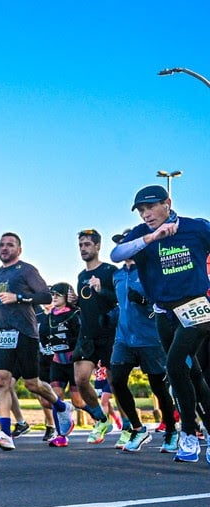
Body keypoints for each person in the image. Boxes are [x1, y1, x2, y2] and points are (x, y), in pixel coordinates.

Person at [110, 184, 210, 463]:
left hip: (196, 308)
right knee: (192, 373)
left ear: (168, 202)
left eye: (151, 207)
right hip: (164, 313)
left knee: (175, 366)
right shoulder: (143, 234)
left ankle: (188, 434)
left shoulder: (196, 228)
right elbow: (116, 255)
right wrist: (151, 238)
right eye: (141, 210)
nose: (146, 214)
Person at [0, 232, 68, 451]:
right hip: (4, 331)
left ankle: (60, 406)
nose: (4, 248)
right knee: (1, 380)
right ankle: (5, 433)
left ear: (19, 250)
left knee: (32, 384)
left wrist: (17, 298)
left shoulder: (27, 270)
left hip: (26, 332)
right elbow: (7, 297)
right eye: (1, 244)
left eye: (10, 245)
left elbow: (46, 296)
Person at [106, 230, 173, 453]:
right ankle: (138, 428)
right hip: (124, 338)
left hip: (150, 338)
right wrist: (111, 316)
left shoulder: (151, 270)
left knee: (158, 386)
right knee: (116, 380)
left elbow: (163, 301)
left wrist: (145, 300)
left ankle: (171, 431)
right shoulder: (117, 275)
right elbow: (119, 304)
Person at [70, 229, 118, 443]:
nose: (83, 248)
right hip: (87, 335)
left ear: (98, 246)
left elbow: (118, 300)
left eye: (88, 244)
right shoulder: (81, 276)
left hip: (108, 333)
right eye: (81, 245)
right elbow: (87, 305)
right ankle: (101, 419)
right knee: (80, 379)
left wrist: (102, 290)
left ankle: (129, 426)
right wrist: (74, 302)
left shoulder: (110, 271)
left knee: (115, 382)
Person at [41, 283, 82, 447]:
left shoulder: (74, 314)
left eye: (58, 294)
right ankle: (61, 436)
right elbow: (43, 336)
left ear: (67, 296)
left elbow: (80, 336)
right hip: (57, 363)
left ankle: (101, 418)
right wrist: (49, 347)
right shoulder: (49, 317)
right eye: (52, 294)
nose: (54, 297)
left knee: (78, 402)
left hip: (74, 363)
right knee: (54, 398)